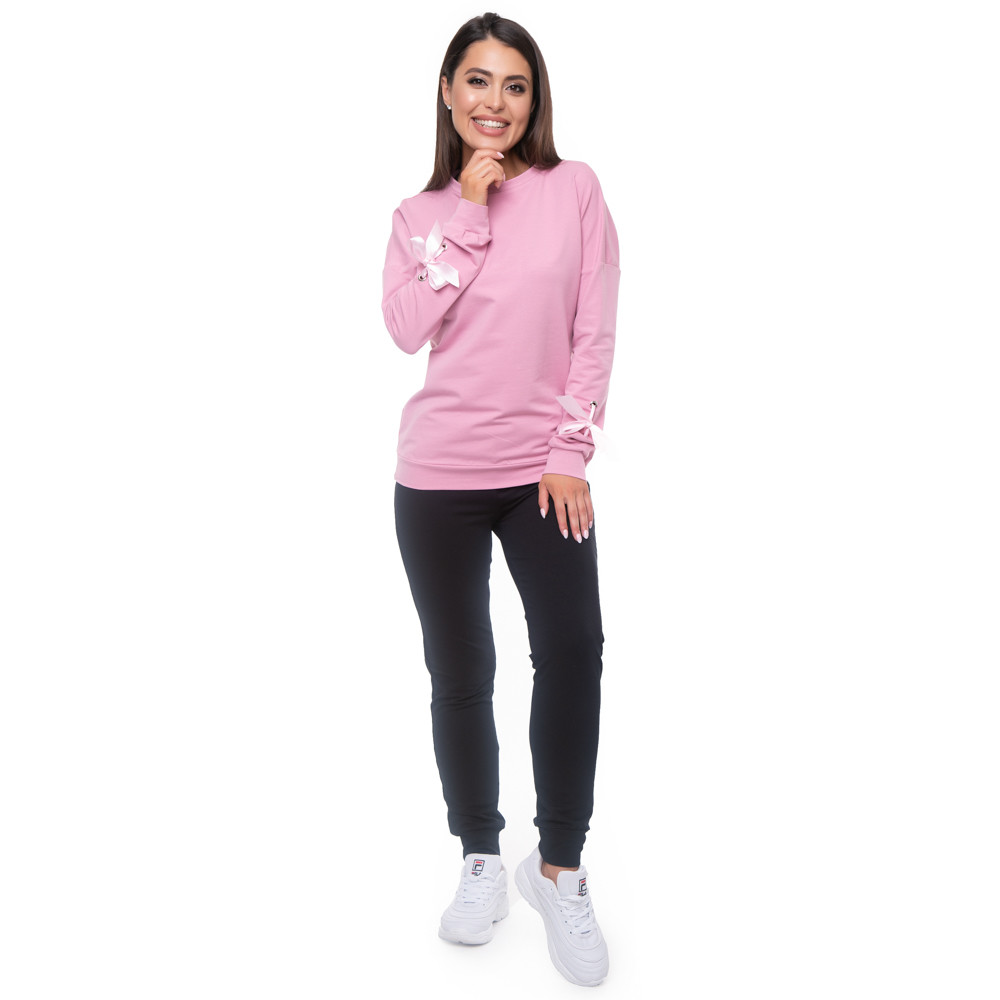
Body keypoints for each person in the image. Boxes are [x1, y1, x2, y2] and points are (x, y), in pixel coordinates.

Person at [381, 12, 619, 988]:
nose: (494, 101)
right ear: (448, 93)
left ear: (535, 99)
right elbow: (406, 327)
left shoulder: (575, 189)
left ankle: (556, 866)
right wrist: (469, 210)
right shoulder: (418, 213)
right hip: (437, 472)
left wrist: (571, 451)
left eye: (514, 85)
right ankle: (480, 854)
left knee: (572, 649)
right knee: (460, 667)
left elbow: (593, 327)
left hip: (541, 472)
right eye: (476, 81)